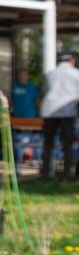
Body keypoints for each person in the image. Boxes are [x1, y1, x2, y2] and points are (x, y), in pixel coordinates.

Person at [39, 52, 79, 180]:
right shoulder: (76, 73)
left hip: (50, 111)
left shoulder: (51, 74)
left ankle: (45, 173)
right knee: (68, 144)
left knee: (48, 143)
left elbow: (45, 91)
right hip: (68, 112)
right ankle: (66, 174)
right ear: (72, 61)